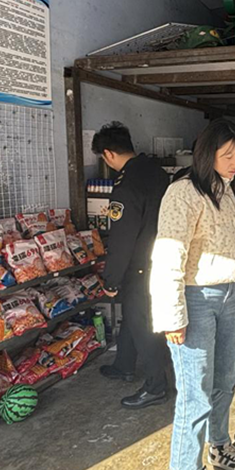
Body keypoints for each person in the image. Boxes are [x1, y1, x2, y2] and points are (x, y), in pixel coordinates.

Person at [150, 119, 235, 470]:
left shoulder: (226, 190)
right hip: (196, 299)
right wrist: (172, 316)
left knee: (225, 379)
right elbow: (168, 255)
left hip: (231, 294)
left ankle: (218, 445)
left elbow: (233, 248)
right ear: (207, 154)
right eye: (227, 155)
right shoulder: (183, 193)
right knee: (195, 392)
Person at [91, 122, 170, 409]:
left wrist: (111, 280)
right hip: (163, 257)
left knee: (143, 324)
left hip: (141, 266)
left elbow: (122, 239)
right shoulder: (156, 172)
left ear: (108, 154)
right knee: (134, 316)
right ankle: (124, 365)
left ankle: (156, 386)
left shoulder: (125, 187)